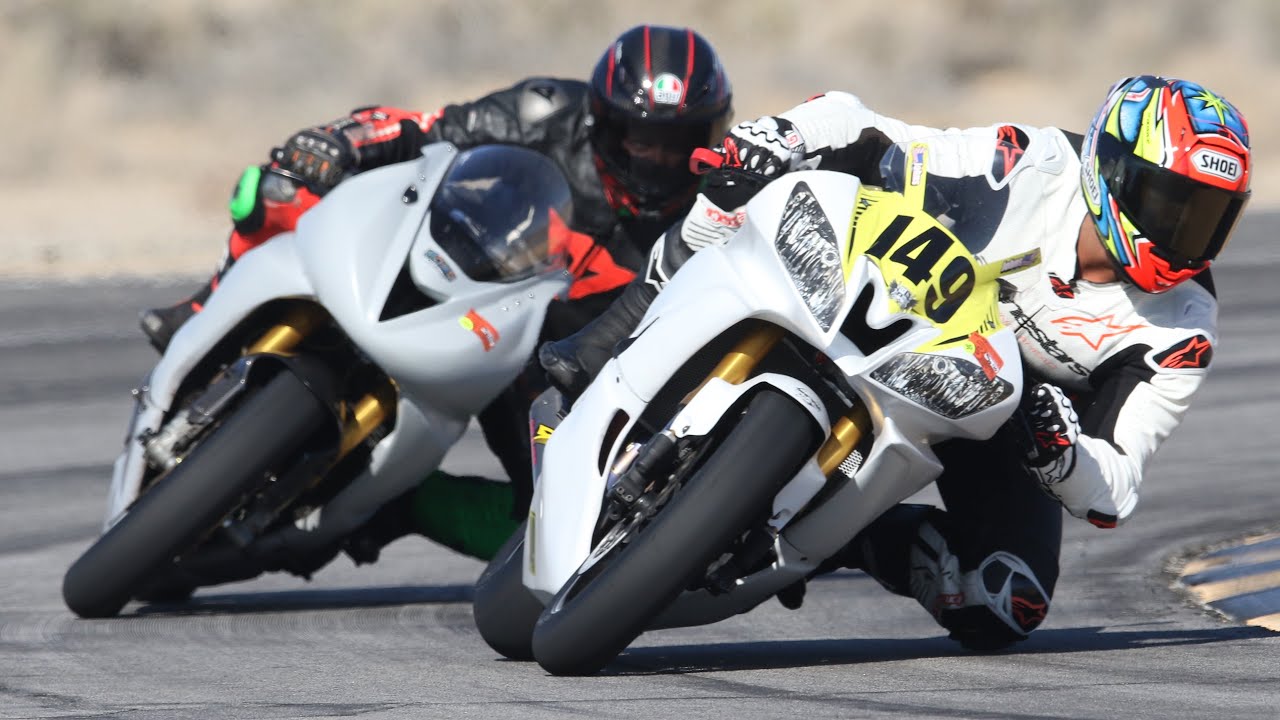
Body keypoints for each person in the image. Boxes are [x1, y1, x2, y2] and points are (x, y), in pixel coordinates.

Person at [540, 76, 1251, 649]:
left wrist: (1060, 450)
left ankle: (845, 537)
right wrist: (778, 136)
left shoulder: (1183, 328)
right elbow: (870, 128)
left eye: (1207, 217)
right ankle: (607, 344)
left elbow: (1116, 486)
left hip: (996, 418)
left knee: (1007, 601)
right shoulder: (1026, 166)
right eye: (1170, 203)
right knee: (736, 189)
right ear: (1112, 170)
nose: (1181, 235)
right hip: (891, 301)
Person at [140, 24, 734, 562]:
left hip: (547, 365)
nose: (660, 157)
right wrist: (339, 142)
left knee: (562, 525)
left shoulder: (718, 213)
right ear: (601, 122)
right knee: (274, 188)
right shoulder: (546, 111)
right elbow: (427, 128)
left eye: (680, 141)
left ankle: (399, 503)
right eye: (642, 138)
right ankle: (199, 308)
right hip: (464, 272)